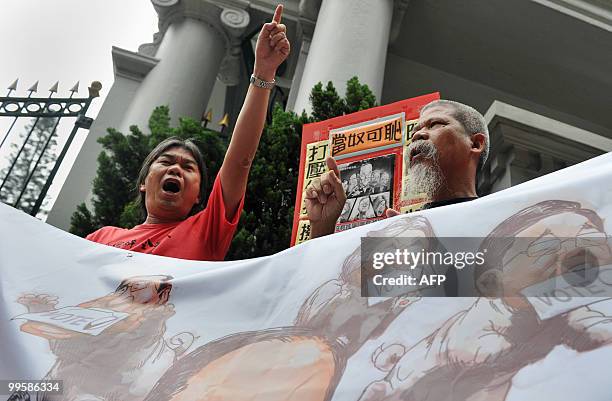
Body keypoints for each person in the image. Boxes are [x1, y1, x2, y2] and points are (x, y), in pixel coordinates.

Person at [86, 5, 291, 260]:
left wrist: (263, 72)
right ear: (143, 182)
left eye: (188, 167)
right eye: (166, 161)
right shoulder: (100, 239)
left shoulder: (206, 231)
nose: (175, 169)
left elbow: (240, 161)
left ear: (198, 196)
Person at [305, 99, 489, 238]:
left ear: (475, 143)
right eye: (414, 131)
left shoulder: (501, 221)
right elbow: (338, 286)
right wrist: (322, 227)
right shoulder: (397, 234)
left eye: (435, 125)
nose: (417, 134)